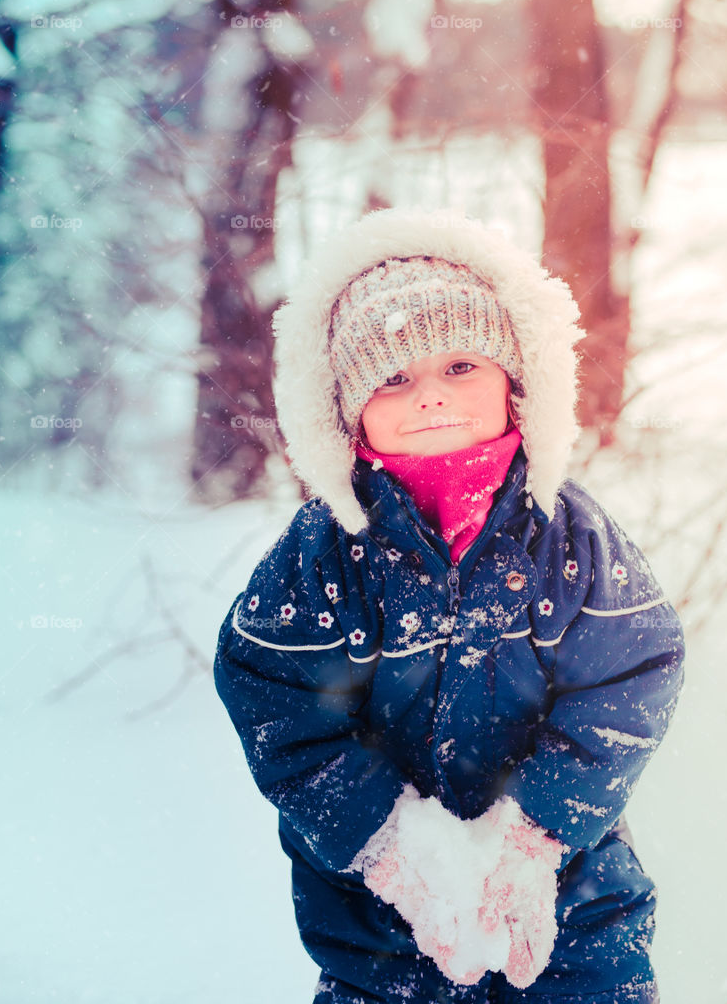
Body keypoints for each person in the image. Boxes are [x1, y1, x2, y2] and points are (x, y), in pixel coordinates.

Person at [213, 207, 685, 1004]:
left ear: (517, 380)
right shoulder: (323, 555)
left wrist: (537, 831)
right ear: (346, 409)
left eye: (461, 365)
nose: (431, 396)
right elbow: (277, 702)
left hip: (574, 907)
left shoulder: (565, 536)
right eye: (393, 378)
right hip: (379, 932)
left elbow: (632, 674)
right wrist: (385, 839)